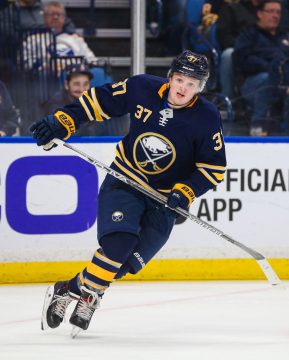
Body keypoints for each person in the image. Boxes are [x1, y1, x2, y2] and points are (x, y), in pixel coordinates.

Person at [30, 50, 227, 334]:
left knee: (127, 263)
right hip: (126, 180)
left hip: (164, 202)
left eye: (192, 83)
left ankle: (70, 288)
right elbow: (97, 103)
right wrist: (62, 120)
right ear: (171, 76)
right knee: (118, 246)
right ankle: (90, 296)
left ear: (200, 88)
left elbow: (213, 169)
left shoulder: (207, 117)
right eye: (181, 79)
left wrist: (185, 192)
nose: (184, 88)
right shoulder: (142, 87)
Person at [233, 0, 289, 135]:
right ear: (259, 13)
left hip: (284, 81)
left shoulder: (284, 36)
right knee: (267, 80)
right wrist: (273, 68)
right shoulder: (249, 35)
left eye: (278, 12)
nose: (275, 15)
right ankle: (258, 128)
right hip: (253, 82)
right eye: (271, 11)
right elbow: (242, 60)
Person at [23, 1, 97, 70]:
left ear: (64, 18)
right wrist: (43, 66)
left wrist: (82, 68)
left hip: (75, 79)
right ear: (44, 18)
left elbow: (92, 61)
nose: (55, 17)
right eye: (51, 14)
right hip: (47, 80)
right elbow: (25, 62)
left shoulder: (76, 39)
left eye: (59, 14)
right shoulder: (32, 39)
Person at [216, 0, 261, 99]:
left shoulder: (271, 9)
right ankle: (228, 98)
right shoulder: (231, 8)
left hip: (264, 50)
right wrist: (243, 47)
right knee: (228, 55)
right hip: (239, 49)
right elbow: (224, 36)